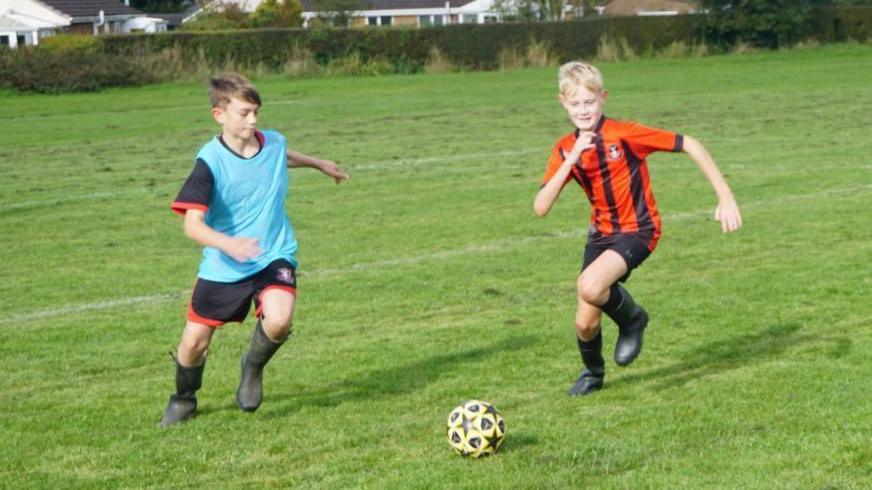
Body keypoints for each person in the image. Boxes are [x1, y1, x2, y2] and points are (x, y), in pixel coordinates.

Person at [533, 62, 742, 396]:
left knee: (589, 286)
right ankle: (593, 374)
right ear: (563, 102)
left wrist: (725, 195)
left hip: (639, 230)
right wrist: (571, 160)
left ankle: (633, 320)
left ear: (603, 98)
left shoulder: (624, 134)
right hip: (601, 235)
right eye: (575, 104)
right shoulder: (563, 149)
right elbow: (541, 207)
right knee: (584, 323)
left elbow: (689, 143)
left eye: (590, 102)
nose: (583, 110)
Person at [161, 73, 349, 426]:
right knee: (194, 345)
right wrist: (228, 243)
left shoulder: (272, 142)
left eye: (256, 113)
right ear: (220, 115)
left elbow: (281, 154)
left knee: (279, 320)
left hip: (272, 253)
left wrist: (320, 164)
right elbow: (192, 224)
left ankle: (252, 366)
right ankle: (183, 400)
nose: (253, 120)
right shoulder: (210, 162)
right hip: (224, 265)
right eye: (244, 113)